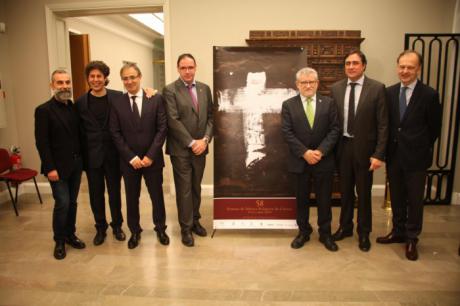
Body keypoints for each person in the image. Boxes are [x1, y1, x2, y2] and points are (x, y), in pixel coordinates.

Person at [376, 50, 441, 261]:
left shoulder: (429, 95)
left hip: (417, 157)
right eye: (402, 66)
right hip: (394, 156)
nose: (405, 71)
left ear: (418, 69)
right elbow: (386, 124)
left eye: (410, 67)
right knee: (396, 197)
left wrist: (418, 145)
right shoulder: (389, 92)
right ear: (397, 67)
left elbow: (434, 129)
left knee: (414, 200)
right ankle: (398, 231)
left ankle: (412, 238)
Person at [330, 50, 388, 252]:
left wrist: (379, 154)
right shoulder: (336, 88)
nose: (351, 67)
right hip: (343, 147)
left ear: (364, 65)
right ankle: (345, 228)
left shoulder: (377, 88)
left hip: (366, 150)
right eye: (347, 63)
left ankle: (364, 233)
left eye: (355, 63)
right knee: (345, 192)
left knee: (363, 193)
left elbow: (383, 125)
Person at [109, 62, 169, 249]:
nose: (129, 81)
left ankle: (160, 228)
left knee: (156, 195)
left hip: (153, 160)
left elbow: (162, 129)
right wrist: (131, 157)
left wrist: (150, 155)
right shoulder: (117, 102)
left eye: (132, 77)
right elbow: (115, 132)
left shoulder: (156, 99)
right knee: (131, 197)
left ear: (140, 77)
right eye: (125, 78)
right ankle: (135, 231)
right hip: (129, 162)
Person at [281, 67, 340, 252]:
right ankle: (303, 232)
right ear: (297, 84)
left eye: (311, 82)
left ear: (317, 84)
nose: (308, 85)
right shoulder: (288, 105)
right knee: (302, 200)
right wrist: (305, 152)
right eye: (303, 82)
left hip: (324, 160)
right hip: (300, 161)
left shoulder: (329, 103)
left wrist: (320, 151)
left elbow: (335, 130)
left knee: (324, 200)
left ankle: (325, 234)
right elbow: (287, 132)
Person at [163, 53, 213, 247]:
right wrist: (192, 143)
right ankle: (186, 228)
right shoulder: (170, 90)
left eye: (190, 67)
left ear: (195, 67)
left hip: (202, 147)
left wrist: (205, 140)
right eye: (183, 68)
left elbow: (211, 117)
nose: (187, 71)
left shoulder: (204, 89)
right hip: (181, 150)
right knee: (184, 190)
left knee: (195, 187)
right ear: (178, 69)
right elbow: (172, 120)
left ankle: (195, 221)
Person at [35, 69, 86, 260]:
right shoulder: (43, 110)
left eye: (67, 82)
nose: (64, 86)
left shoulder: (73, 107)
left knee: (72, 202)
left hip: (76, 164)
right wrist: (50, 168)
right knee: (62, 203)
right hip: (56, 168)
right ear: (52, 86)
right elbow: (42, 143)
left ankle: (70, 234)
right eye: (60, 83)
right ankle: (59, 240)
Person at [75, 61, 126, 245]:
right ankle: (100, 228)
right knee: (96, 194)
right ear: (88, 79)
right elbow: (78, 132)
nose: (95, 80)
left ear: (105, 78)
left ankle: (117, 226)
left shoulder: (118, 97)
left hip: (114, 155)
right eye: (92, 76)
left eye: (99, 76)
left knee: (114, 193)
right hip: (92, 157)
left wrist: (150, 91)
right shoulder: (80, 102)